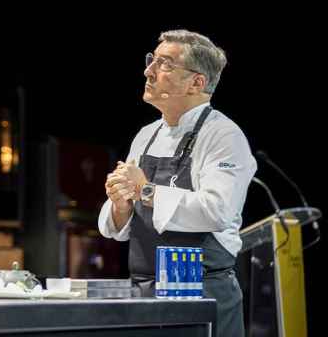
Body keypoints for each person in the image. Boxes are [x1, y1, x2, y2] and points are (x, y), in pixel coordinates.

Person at [98, 30, 256, 337]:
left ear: (197, 82)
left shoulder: (224, 136)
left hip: (201, 295)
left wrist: (146, 189)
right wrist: (120, 204)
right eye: (151, 60)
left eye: (165, 64)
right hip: (145, 297)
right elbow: (123, 226)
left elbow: (217, 211)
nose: (149, 71)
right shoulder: (146, 135)